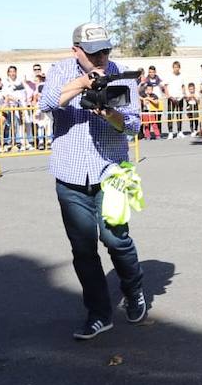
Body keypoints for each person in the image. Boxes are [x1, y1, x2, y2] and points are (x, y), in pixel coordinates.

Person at [39, 22, 147, 340]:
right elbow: (46, 104)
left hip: (110, 171)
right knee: (83, 249)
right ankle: (99, 314)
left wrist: (111, 115)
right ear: (76, 51)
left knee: (116, 239)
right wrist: (84, 82)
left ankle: (134, 289)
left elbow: (134, 125)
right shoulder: (60, 70)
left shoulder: (122, 74)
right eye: (93, 53)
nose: (101, 57)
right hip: (70, 173)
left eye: (105, 50)